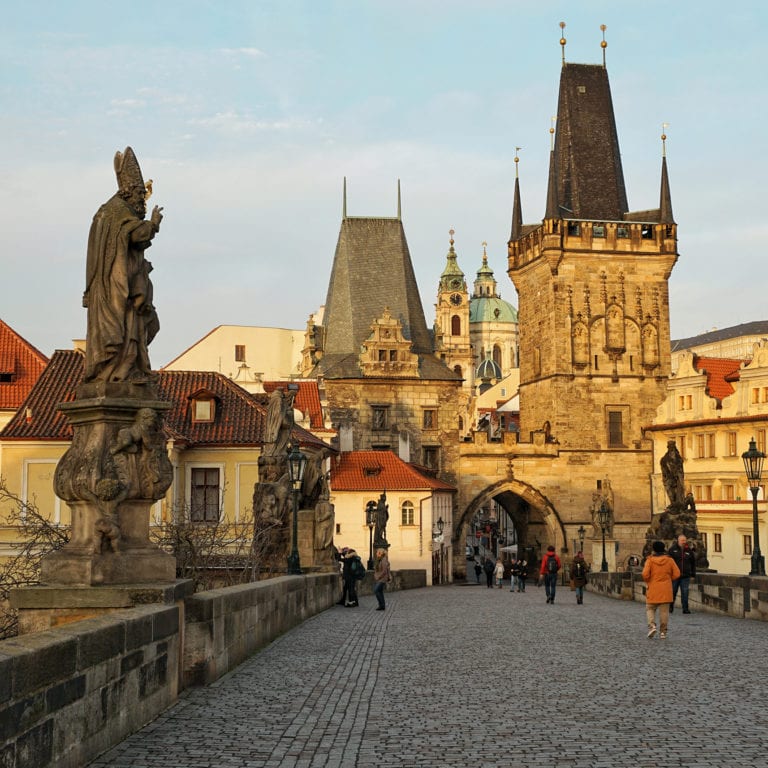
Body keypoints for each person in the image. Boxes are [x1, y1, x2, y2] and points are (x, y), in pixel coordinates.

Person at [84, 147, 163, 384]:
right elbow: (136, 235)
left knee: (137, 327)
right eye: (141, 194)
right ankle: (120, 372)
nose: (143, 200)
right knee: (126, 328)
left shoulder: (106, 212)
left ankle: (124, 370)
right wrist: (154, 224)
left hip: (111, 286)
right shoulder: (118, 212)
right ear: (129, 192)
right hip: (117, 287)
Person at [642, 540, 680, 639]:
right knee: (664, 612)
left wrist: (649, 580)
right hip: (666, 589)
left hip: (653, 588)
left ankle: (652, 626)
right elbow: (677, 574)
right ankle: (663, 632)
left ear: (654, 549)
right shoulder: (670, 560)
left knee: (650, 608)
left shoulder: (650, 560)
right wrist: (667, 579)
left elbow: (645, 574)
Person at [668, 534, 696, 613]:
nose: (684, 542)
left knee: (685, 592)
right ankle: (670, 607)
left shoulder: (689, 550)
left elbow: (693, 563)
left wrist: (693, 574)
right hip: (675, 576)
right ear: (678, 540)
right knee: (673, 592)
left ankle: (685, 608)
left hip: (686, 575)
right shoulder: (672, 549)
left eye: (685, 540)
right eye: (682, 540)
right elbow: (668, 563)